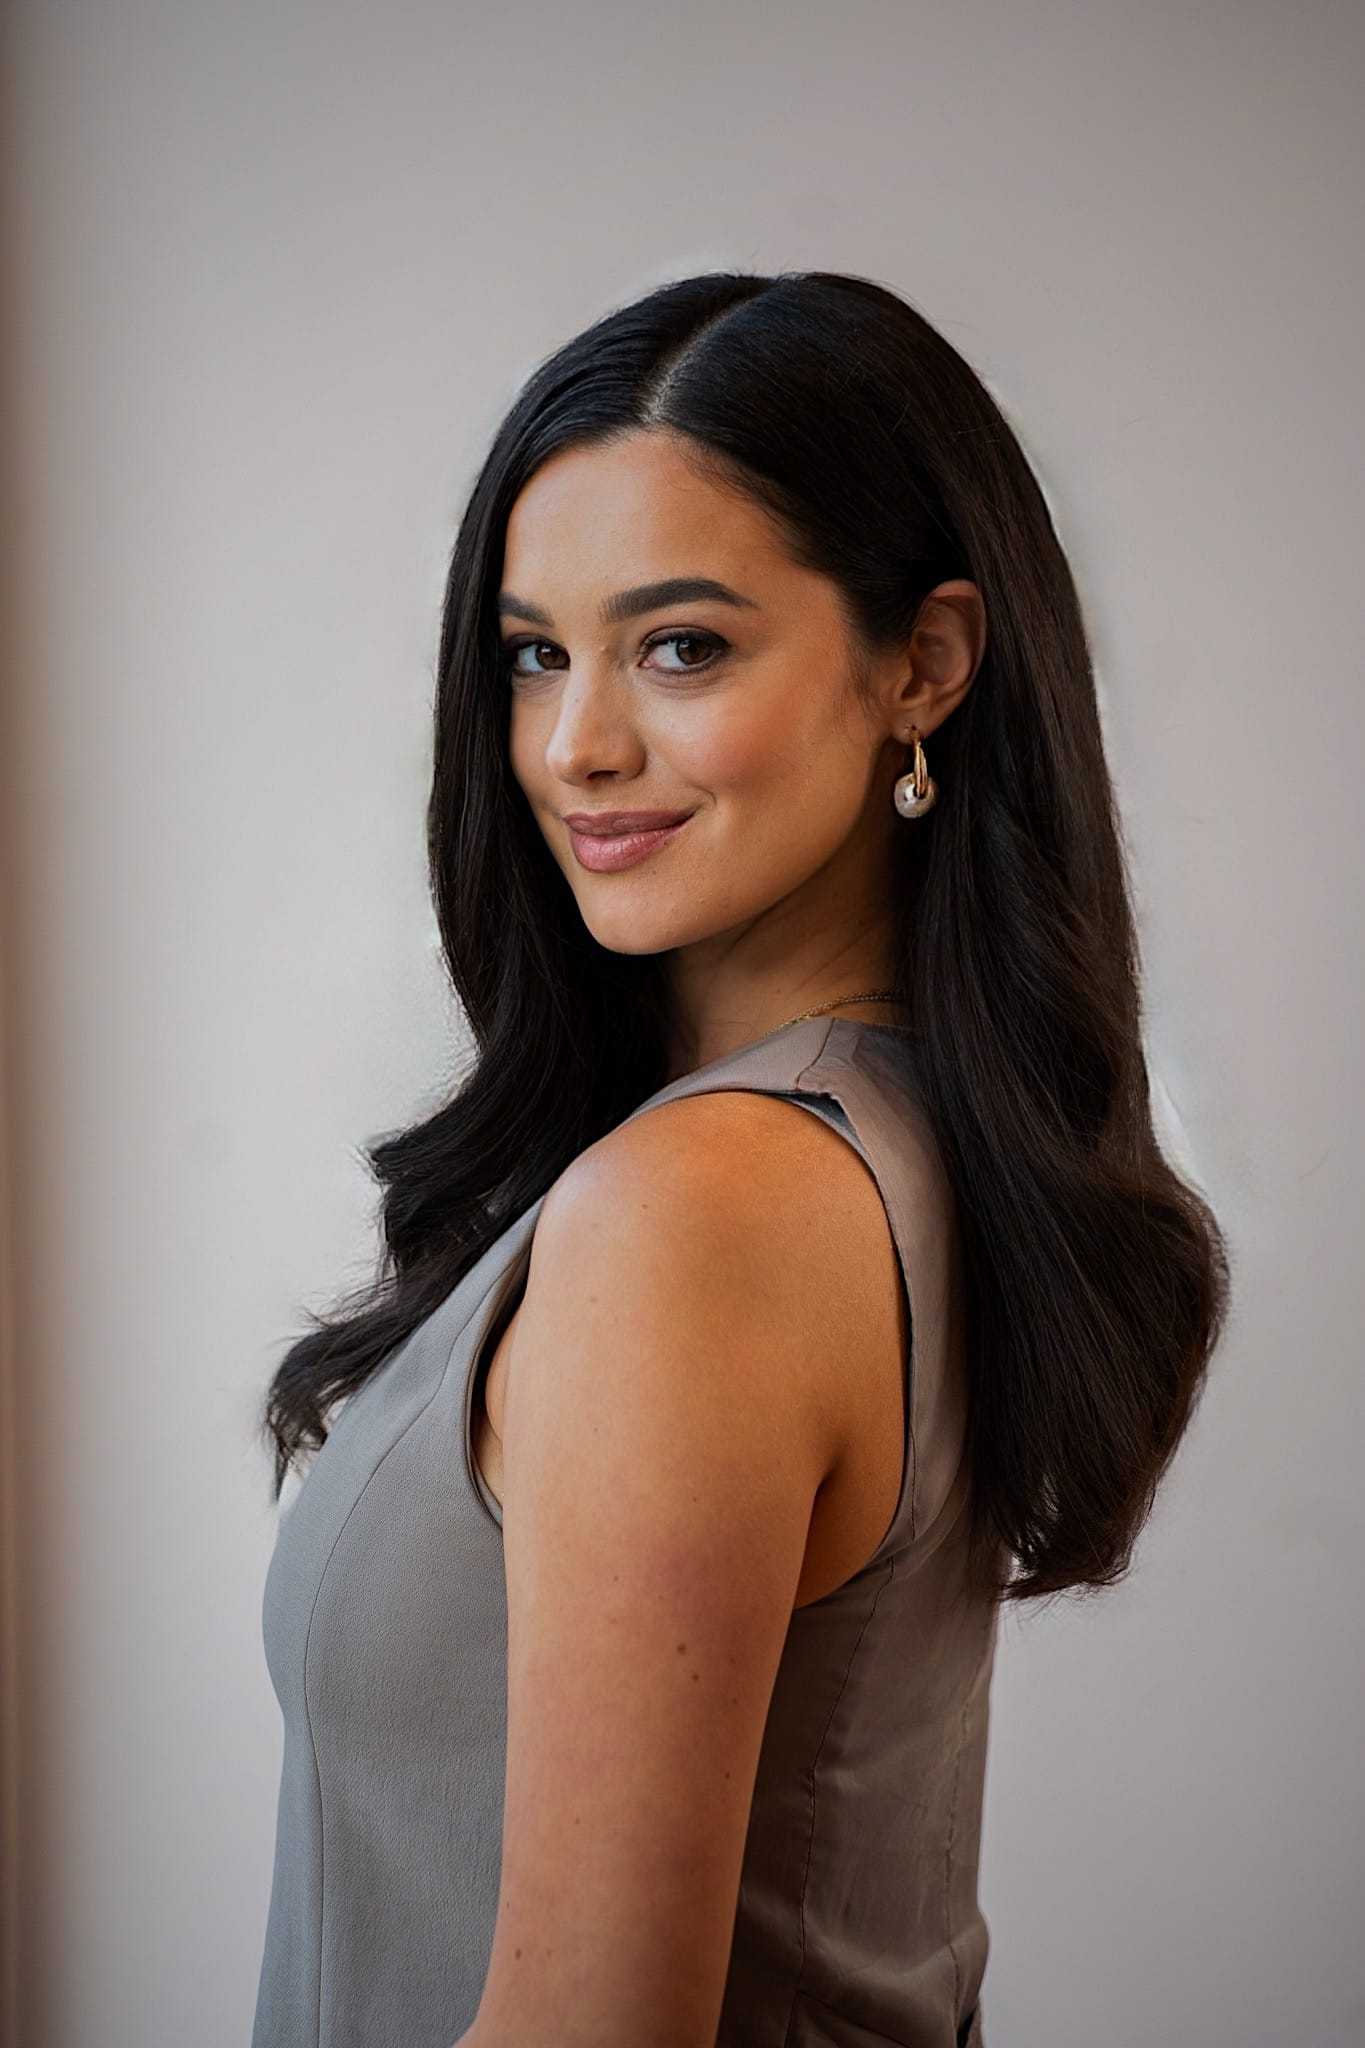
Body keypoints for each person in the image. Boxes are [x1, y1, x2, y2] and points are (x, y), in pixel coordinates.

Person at [250, 269, 1230, 2048]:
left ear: (919, 665)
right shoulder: (898, 1143)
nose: (575, 746)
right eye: (536, 651)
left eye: (680, 646)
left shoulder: (703, 1214)